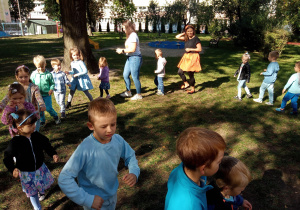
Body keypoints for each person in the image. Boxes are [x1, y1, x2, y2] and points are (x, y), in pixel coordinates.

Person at [58, 98, 140, 210]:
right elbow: (64, 178)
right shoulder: (85, 148)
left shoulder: (118, 140)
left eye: (113, 124)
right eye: (103, 126)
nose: (110, 130)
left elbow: (130, 156)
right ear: (91, 126)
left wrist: (134, 172)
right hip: (93, 202)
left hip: (112, 196)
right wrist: (87, 199)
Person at [3, 109, 59, 210]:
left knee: (40, 185)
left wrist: (53, 153)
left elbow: (46, 144)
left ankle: (41, 192)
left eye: (34, 124)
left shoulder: (36, 135)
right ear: (20, 127)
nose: (34, 126)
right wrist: (12, 169)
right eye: (31, 125)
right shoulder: (15, 142)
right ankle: (37, 207)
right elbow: (7, 157)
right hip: (26, 173)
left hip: (39, 169)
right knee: (32, 192)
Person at [165, 127, 226, 210]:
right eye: (218, 162)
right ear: (203, 169)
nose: (220, 163)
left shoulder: (182, 169)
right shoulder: (190, 205)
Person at [0, 65, 46, 131]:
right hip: (18, 111)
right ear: (17, 77)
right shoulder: (14, 88)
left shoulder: (34, 87)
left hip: (32, 111)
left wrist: (42, 105)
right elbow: (7, 97)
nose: (23, 79)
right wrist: (1, 106)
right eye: (21, 77)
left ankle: (34, 138)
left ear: (29, 76)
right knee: (21, 127)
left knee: (33, 129)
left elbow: (38, 97)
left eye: (26, 77)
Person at [116, 20, 143, 100]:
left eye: (124, 28)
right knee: (125, 75)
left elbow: (133, 49)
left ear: (128, 28)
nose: (123, 30)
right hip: (130, 58)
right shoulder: (130, 36)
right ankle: (128, 92)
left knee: (135, 77)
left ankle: (139, 95)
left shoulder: (133, 35)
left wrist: (122, 50)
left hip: (135, 58)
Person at [30, 55, 61, 125]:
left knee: (48, 108)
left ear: (45, 64)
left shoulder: (48, 74)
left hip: (47, 95)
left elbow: (52, 83)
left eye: (42, 67)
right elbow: (31, 83)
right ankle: (42, 121)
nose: (40, 69)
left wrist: (51, 89)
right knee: (40, 109)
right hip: (37, 96)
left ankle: (56, 117)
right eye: (38, 67)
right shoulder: (34, 74)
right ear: (35, 66)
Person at [175, 25, 202, 94]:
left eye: (191, 31)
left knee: (190, 74)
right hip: (186, 57)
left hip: (193, 56)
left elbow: (199, 49)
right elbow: (177, 37)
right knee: (180, 72)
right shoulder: (186, 38)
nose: (190, 33)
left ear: (193, 31)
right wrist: (184, 33)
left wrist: (190, 49)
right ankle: (186, 83)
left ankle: (193, 89)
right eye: (188, 31)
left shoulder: (196, 39)